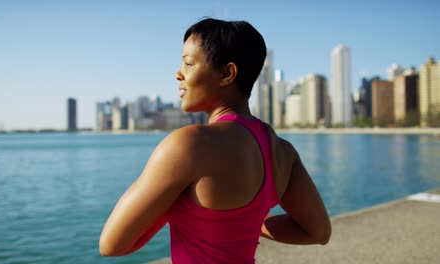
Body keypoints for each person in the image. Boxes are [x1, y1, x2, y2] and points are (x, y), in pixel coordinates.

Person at [99, 18, 331, 263]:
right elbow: (318, 232)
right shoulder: (283, 151)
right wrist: (247, 220)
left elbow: (112, 244)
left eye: (188, 63)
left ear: (226, 73)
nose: (178, 73)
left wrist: (171, 204)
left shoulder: (189, 145)